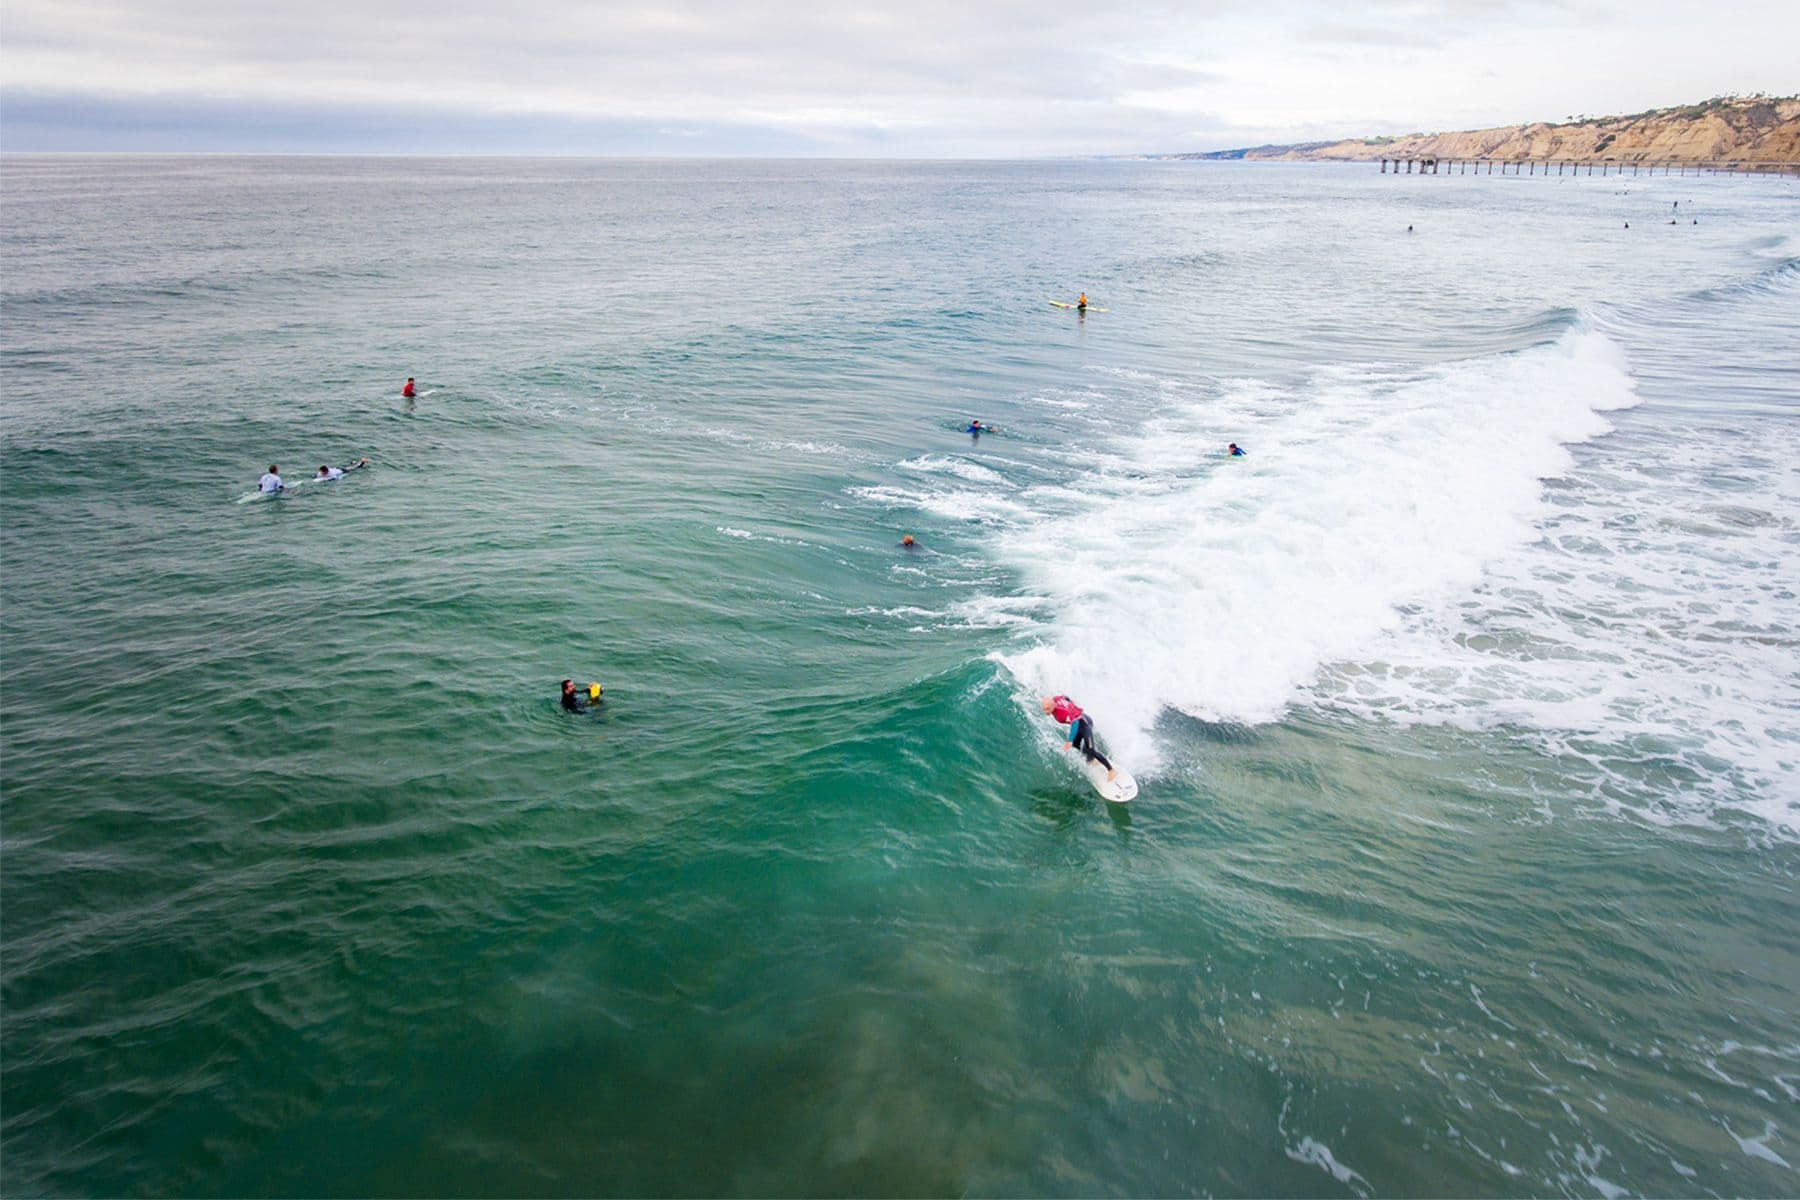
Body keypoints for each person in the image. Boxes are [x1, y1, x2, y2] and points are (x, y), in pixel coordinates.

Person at [1041, 694, 1116, 783]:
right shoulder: (1055, 699)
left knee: (1091, 750)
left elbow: (1075, 723)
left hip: (1085, 723)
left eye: (1048, 709)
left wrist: (1069, 741)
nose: (1046, 712)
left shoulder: (1061, 713)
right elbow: (1064, 697)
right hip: (1079, 723)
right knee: (1076, 745)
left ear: (1053, 705)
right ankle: (1090, 759)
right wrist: (1072, 706)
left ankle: (1111, 770)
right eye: (1044, 709)